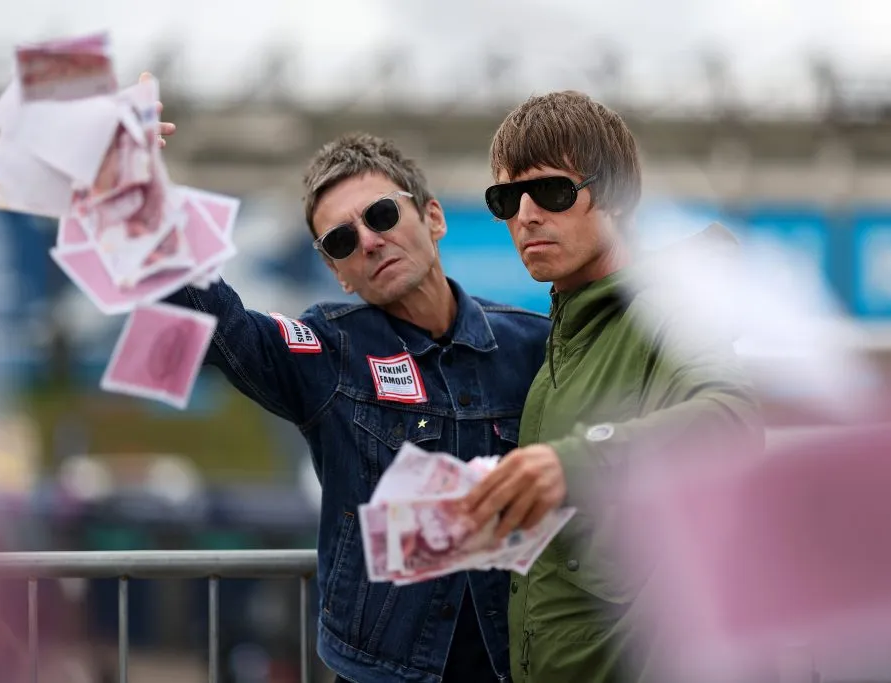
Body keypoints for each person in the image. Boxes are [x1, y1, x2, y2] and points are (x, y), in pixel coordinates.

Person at [154, 94, 551, 682]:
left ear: (434, 218)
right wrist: (142, 193)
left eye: (382, 215)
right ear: (337, 271)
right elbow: (218, 324)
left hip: (516, 666)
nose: (367, 241)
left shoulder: (534, 343)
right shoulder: (327, 350)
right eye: (341, 241)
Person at [461, 90, 764, 683]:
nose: (526, 215)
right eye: (506, 199)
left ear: (618, 196)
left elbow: (732, 419)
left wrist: (571, 461)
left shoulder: (668, 310)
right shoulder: (561, 337)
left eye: (552, 191)